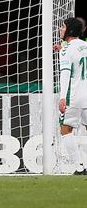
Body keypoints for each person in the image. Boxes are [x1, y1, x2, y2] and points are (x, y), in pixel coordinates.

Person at [56, 17, 87, 175]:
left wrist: (62, 97)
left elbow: (65, 74)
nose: (60, 29)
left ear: (70, 30)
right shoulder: (85, 45)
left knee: (66, 129)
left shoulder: (66, 50)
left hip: (74, 96)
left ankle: (79, 167)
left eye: (63, 27)